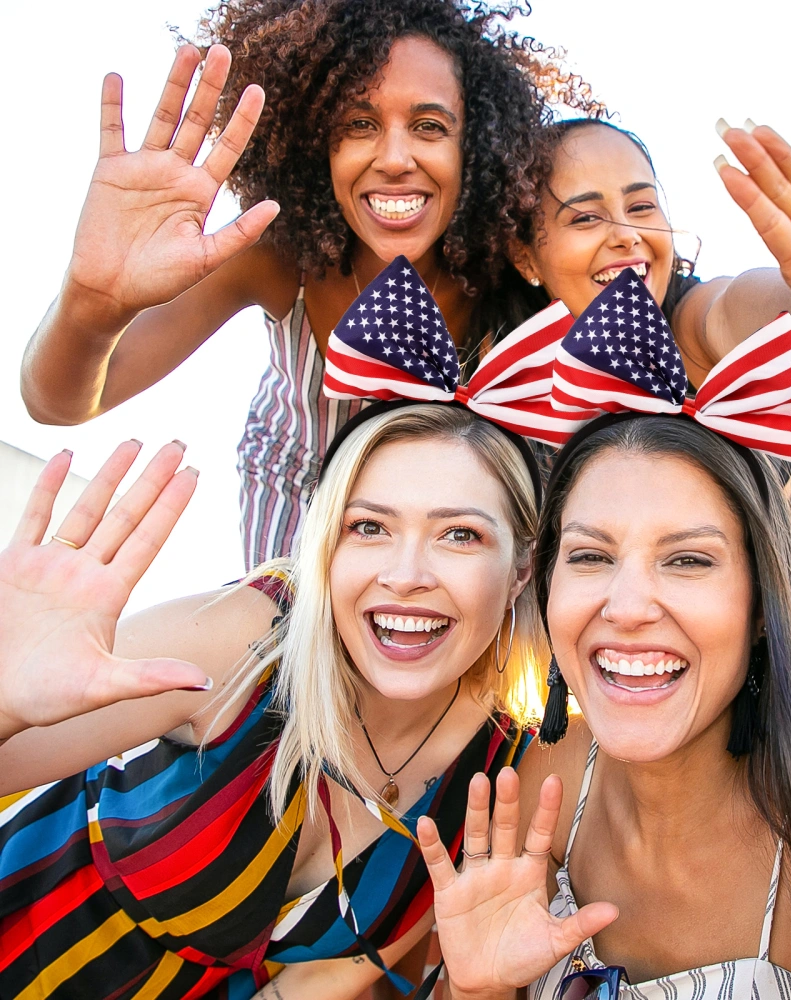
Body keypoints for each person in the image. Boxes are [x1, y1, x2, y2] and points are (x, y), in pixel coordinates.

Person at [416, 275, 791, 1000]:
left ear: (763, 606)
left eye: (688, 560)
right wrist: (476, 989)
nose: (626, 606)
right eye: (592, 555)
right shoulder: (549, 784)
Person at [0, 261, 561, 998]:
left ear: (521, 569)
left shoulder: (502, 776)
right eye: (369, 528)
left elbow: (319, 981)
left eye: (460, 536)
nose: (406, 573)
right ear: (326, 545)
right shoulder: (252, 637)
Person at [19, 0, 596, 570]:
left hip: (463, 528)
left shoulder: (513, 279)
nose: (395, 158)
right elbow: (59, 402)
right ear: (316, 143)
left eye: (429, 126)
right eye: (358, 125)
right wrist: (91, 300)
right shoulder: (277, 261)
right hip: (301, 514)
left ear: (474, 150)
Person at [504, 109, 791, 730]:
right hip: (708, 589)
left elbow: (735, 308)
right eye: (585, 216)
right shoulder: (503, 373)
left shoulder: (686, 319)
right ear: (526, 256)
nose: (626, 234)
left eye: (642, 207)